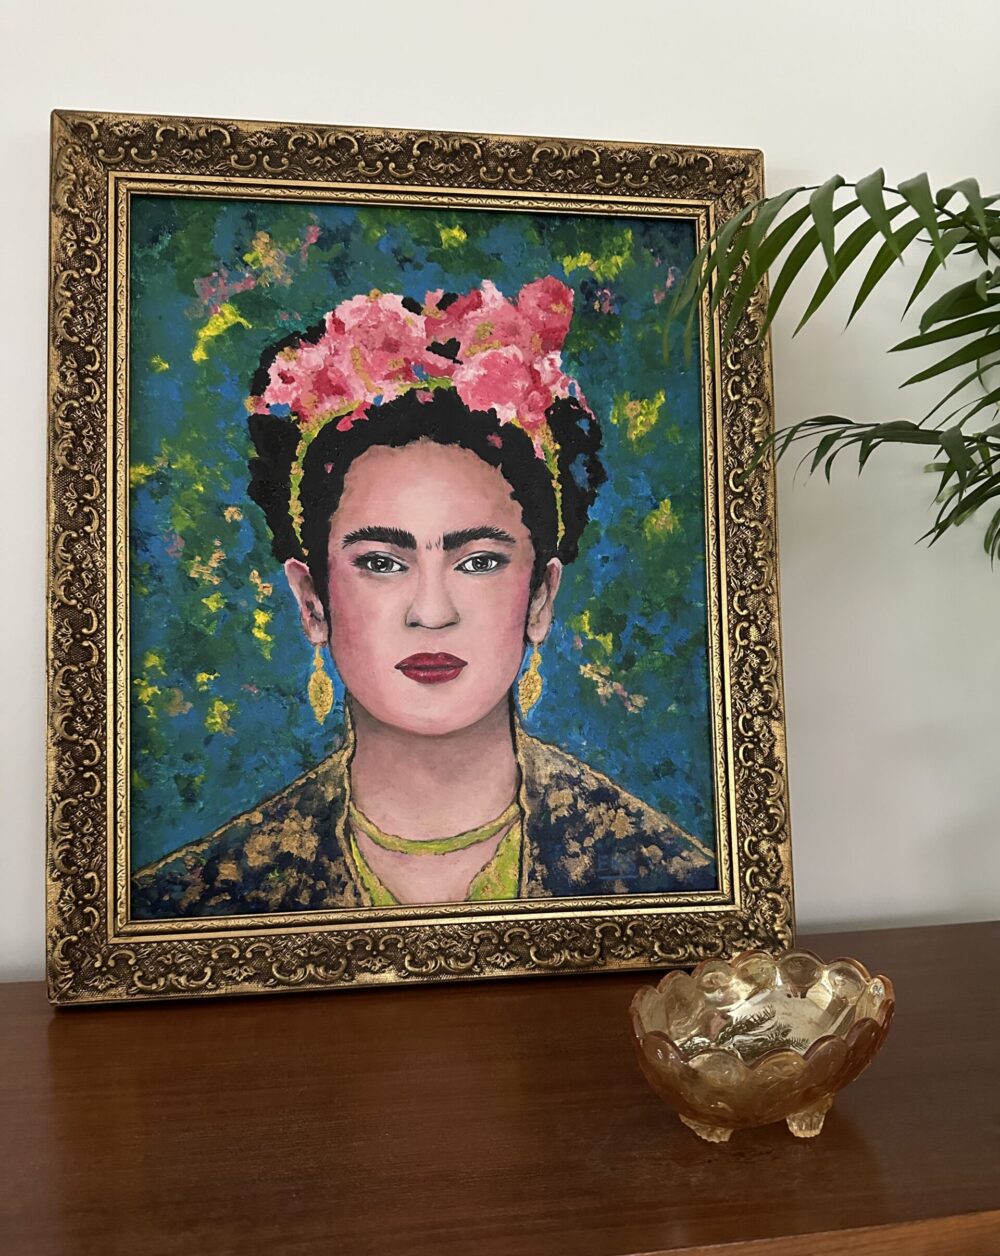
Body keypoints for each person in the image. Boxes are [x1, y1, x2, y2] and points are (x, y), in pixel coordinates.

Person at [132, 277, 715, 918]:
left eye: (480, 562)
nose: (432, 613)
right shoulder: (198, 897)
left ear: (541, 599)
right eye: (382, 563)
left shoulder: (666, 875)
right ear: (312, 601)